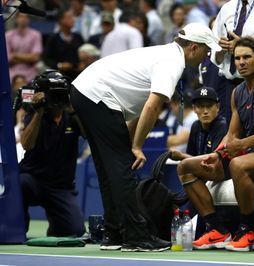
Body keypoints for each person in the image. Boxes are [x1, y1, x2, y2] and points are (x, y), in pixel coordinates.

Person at [70, 23, 222, 252]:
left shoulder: (164, 54)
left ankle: (114, 234)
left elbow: (140, 109)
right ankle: (136, 237)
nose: (206, 56)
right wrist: (138, 147)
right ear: (193, 48)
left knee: (110, 169)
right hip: (97, 97)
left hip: (86, 93)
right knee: (123, 170)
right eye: (205, 51)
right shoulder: (173, 61)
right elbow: (152, 107)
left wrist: (131, 143)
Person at [177, 37, 254, 251]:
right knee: (186, 167)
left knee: (238, 164)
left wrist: (242, 144)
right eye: (237, 58)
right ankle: (217, 229)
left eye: (247, 57)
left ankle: (249, 230)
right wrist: (217, 154)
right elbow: (232, 135)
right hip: (250, 153)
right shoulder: (237, 93)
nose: (241, 62)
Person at [19, 71, 85, 237]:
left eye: (60, 95)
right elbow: (27, 144)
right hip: (33, 180)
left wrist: (75, 107)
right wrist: (38, 113)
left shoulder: (72, 117)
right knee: (19, 183)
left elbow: (92, 136)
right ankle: (19, 228)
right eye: (53, 95)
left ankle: (56, 227)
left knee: (74, 231)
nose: (57, 101)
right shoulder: (34, 114)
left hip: (61, 187)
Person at [171, 86, 228, 161]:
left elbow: (213, 161)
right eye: (200, 106)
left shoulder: (222, 126)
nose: (205, 111)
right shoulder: (195, 126)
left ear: (218, 107)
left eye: (209, 106)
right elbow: (191, 155)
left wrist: (182, 156)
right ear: (194, 109)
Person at [6, 12, 42, 82]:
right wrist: (28, 58)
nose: (23, 19)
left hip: (31, 71)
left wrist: (15, 55)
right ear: (16, 19)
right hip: (12, 70)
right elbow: (7, 58)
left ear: (29, 19)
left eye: (26, 17)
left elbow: (35, 58)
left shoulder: (36, 35)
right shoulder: (8, 35)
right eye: (21, 17)